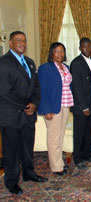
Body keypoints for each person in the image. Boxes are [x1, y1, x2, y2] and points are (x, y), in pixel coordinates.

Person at [0, 31, 48, 195]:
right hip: (11, 115)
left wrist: (34, 104)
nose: (22, 43)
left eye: (24, 41)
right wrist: (25, 106)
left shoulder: (30, 62)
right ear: (11, 44)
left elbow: (36, 86)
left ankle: (29, 174)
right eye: (18, 40)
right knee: (11, 151)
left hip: (29, 114)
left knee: (27, 147)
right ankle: (12, 182)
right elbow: (4, 92)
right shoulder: (3, 63)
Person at [38, 42, 74, 176]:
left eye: (62, 51)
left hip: (65, 105)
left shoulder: (66, 67)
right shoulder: (45, 68)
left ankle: (58, 162)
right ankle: (56, 166)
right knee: (54, 137)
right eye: (56, 51)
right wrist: (46, 110)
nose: (60, 54)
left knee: (60, 135)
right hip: (53, 107)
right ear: (51, 53)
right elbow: (42, 90)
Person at [70, 38, 91, 170]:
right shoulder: (75, 63)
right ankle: (78, 158)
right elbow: (76, 87)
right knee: (79, 133)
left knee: (90, 131)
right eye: (84, 47)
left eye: (89, 47)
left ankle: (87, 154)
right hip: (81, 106)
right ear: (80, 48)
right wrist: (84, 106)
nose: (87, 49)